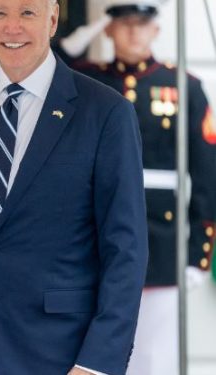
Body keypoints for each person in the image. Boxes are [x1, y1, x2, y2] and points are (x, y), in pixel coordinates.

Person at [0, 0, 148, 374]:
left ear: (53, 19)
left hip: (63, 354)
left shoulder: (106, 112)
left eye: (27, 12)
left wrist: (98, 362)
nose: (12, 28)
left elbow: (126, 248)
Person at [54, 1, 216, 373]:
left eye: (141, 25)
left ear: (155, 30)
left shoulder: (184, 86)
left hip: (161, 238)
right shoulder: (88, 80)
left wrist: (197, 254)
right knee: (99, 351)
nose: (132, 32)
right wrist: (83, 36)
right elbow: (46, 65)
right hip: (97, 233)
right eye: (122, 24)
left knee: (156, 357)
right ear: (109, 31)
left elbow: (206, 174)